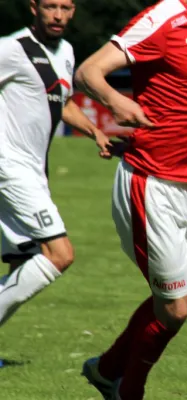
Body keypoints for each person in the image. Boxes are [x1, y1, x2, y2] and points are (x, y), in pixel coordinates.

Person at [74, 0, 187, 398]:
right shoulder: (164, 18)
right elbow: (88, 72)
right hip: (154, 185)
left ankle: (108, 368)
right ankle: (126, 391)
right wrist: (116, 102)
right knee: (174, 308)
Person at [0, 0, 111, 326]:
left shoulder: (65, 52)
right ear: (34, 7)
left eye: (66, 7)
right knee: (59, 255)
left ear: (74, 10)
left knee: (24, 263)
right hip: (10, 166)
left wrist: (95, 131)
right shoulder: (11, 49)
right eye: (50, 6)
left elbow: (62, 102)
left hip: (33, 169)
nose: (58, 15)